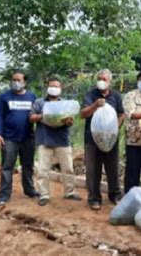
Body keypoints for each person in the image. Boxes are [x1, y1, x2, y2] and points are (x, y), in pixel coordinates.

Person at [29, 77, 81, 206]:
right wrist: (43, 115)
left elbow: (70, 122)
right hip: (44, 140)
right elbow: (31, 118)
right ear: (47, 87)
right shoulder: (39, 103)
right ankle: (44, 195)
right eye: (51, 86)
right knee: (42, 170)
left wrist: (68, 121)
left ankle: (70, 192)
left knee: (68, 168)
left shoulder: (65, 104)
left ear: (61, 89)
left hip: (62, 140)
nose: (54, 88)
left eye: (56, 86)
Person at [80, 69, 125, 210]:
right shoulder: (90, 95)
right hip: (92, 139)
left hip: (110, 138)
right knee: (93, 169)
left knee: (112, 167)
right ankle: (94, 198)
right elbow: (83, 114)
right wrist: (95, 105)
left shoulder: (116, 96)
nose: (101, 81)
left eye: (104, 79)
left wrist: (114, 128)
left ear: (109, 81)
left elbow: (121, 114)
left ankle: (115, 195)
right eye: (99, 78)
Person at [0, 69, 39, 206]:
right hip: (9, 138)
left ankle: (30, 190)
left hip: (27, 138)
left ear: (25, 82)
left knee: (28, 166)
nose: (16, 82)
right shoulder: (4, 97)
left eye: (19, 80)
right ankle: (4, 195)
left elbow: (37, 115)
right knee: (7, 167)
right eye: (14, 79)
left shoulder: (32, 97)